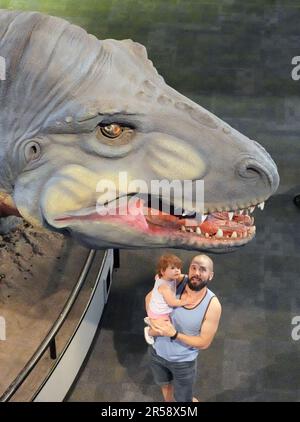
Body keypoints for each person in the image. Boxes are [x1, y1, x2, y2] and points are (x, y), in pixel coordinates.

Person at [145, 254, 222, 402]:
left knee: (183, 399)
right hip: (157, 353)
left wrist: (174, 334)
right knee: (165, 387)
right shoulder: (176, 280)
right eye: (194, 267)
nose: (197, 273)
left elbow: (204, 342)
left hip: (183, 363)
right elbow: (149, 298)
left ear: (210, 276)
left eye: (203, 270)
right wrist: (153, 320)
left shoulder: (212, 305)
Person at [144, 254, 196, 345]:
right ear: (163, 271)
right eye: (172, 268)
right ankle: (149, 331)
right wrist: (186, 301)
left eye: (178, 268)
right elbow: (172, 302)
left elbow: (156, 276)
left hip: (155, 307)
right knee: (165, 329)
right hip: (159, 312)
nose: (177, 271)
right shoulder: (165, 287)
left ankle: (152, 320)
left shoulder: (161, 277)